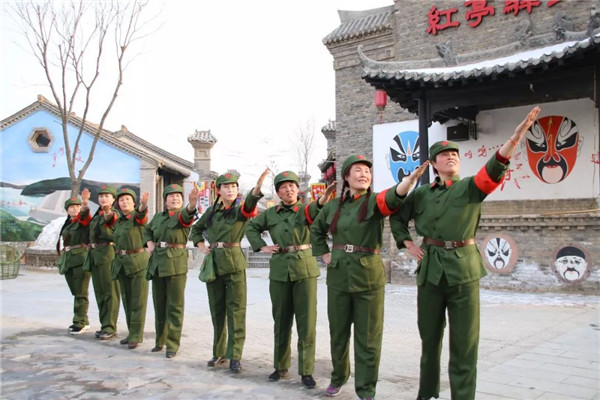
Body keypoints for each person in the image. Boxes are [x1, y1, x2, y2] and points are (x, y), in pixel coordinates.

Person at [390, 107, 541, 400]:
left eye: (455, 155)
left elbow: (494, 169)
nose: (451, 157)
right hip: (430, 271)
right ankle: (426, 393)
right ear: (433, 163)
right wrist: (407, 243)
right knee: (429, 339)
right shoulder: (420, 194)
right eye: (444, 155)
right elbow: (397, 217)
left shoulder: (471, 188)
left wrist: (515, 138)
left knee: (464, 343)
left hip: (464, 272)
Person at [310, 155, 428, 400]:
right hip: (339, 276)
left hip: (368, 278)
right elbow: (316, 229)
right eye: (357, 170)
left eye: (367, 171)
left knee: (368, 337)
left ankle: (365, 389)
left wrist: (409, 181)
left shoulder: (374, 202)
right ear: (346, 176)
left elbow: (394, 196)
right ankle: (338, 377)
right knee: (338, 333)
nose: (363, 174)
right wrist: (323, 252)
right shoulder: (333, 206)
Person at [246, 171, 335, 390]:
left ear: (298, 189)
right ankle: (280, 366)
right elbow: (251, 227)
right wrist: (261, 246)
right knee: (281, 320)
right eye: (283, 187)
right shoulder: (271, 213)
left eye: (292, 186)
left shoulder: (304, 209)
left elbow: (316, 208)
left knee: (307, 322)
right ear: (278, 192)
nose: (289, 190)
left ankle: (307, 370)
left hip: (304, 269)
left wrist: (324, 197)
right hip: (279, 270)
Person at [190, 168, 268, 373]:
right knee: (217, 311)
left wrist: (257, 188)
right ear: (218, 191)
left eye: (233, 186)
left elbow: (250, 205)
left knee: (236, 311)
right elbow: (195, 230)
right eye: (226, 187)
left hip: (234, 264)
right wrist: (200, 244)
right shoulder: (211, 212)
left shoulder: (240, 211)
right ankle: (219, 353)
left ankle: (235, 356)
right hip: (214, 264)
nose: (230, 189)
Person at [144, 184, 199, 359]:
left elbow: (188, 215)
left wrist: (192, 204)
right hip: (157, 262)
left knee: (175, 305)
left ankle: (172, 344)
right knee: (159, 303)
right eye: (171, 196)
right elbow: (146, 230)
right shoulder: (158, 217)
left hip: (175, 262)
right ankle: (160, 340)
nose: (175, 198)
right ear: (165, 200)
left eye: (178, 196)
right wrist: (149, 243)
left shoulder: (182, 215)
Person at [111, 187, 150, 350]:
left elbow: (141, 214)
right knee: (127, 299)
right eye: (121, 200)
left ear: (134, 203)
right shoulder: (119, 221)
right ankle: (131, 332)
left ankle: (136, 335)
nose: (124, 202)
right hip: (122, 263)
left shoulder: (137, 216)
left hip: (137, 263)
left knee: (138, 301)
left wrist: (143, 205)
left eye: (128, 199)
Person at [80, 185, 121, 340]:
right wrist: (84, 204)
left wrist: (108, 211)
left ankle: (110, 326)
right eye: (101, 196)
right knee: (100, 292)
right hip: (95, 256)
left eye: (107, 196)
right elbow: (84, 221)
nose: (103, 199)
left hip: (107, 256)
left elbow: (111, 220)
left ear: (113, 199)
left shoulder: (114, 214)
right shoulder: (97, 216)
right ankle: (105, 324)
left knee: (110, 292)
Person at [57, 196, 91, 335]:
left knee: (81, 292)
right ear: (67, 210)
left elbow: (85, 217)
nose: (75, 209)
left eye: (77, 206)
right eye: (71, 207)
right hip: (69, 259)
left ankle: (79, 321)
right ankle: (84, 320)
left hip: (80, 259)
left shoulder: (82, 221)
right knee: (75, 291)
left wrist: (85, 205)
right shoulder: (68, 223)